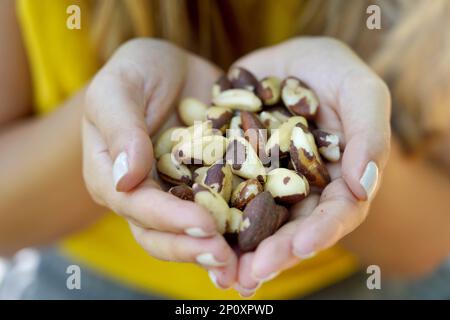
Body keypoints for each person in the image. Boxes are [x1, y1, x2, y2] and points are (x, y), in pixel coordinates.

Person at [0, 0, 449, 299]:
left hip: (344, 282)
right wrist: (115, 118)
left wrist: (361, 154)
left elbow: (429, 240)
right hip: (90, 282)